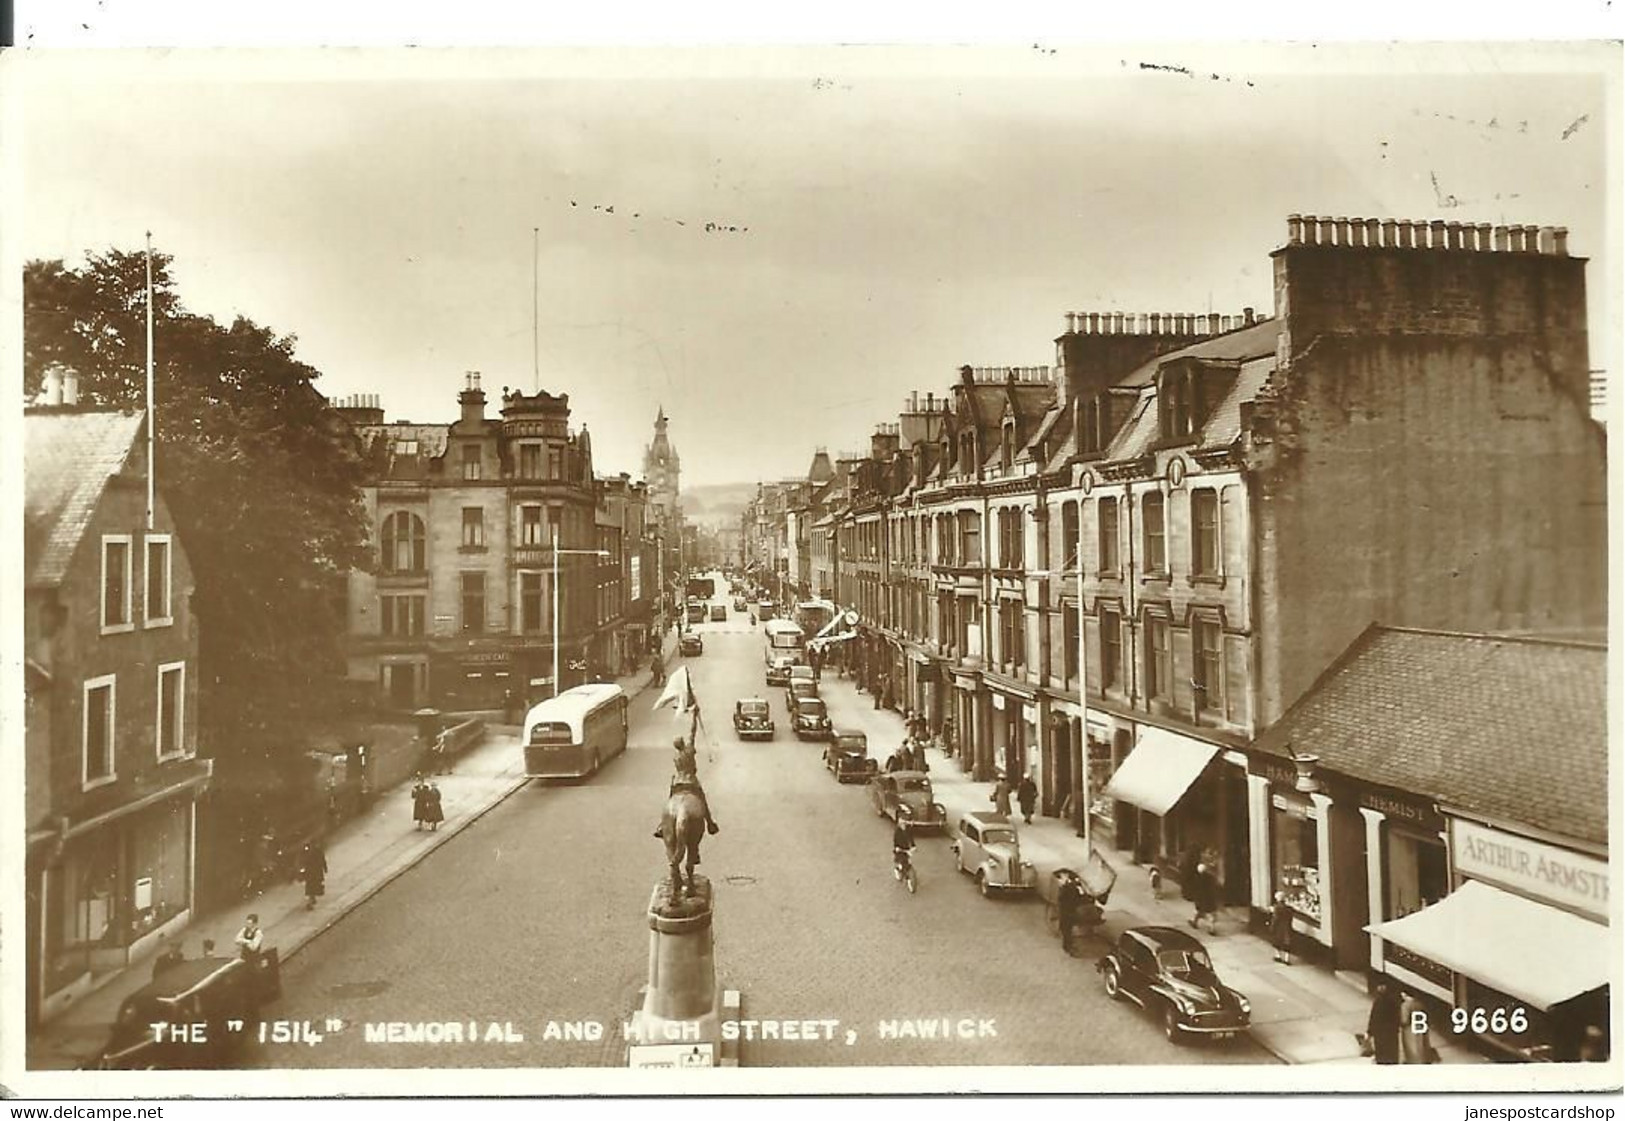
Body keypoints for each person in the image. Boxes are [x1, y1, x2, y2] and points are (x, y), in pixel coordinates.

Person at [1399, 990, 1440, 1064]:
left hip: (1410, 1029)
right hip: (1421, 1027)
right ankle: (1424, 1059)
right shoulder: (1419, 1003)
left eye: (1403, 995)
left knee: (1411, 1046)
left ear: (1405, 995)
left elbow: (1404, 1019)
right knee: (1422, 1044)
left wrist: (1401, 1024)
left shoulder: (1405, 1005)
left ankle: (1413, 1060)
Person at [1366, 982, 1403, 1065]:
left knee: (1382, 1053)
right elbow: (1397, 1017)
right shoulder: (1394, 1001)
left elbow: (1374, 1018)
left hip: (1380, 1032)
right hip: (1391, 1032)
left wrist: (1369, 1031)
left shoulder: (1378, 1002)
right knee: (1392, 1052)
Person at [1056, 872, 1087, 955]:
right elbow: (1079, 899)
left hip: (1066, 913)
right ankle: (1068, 947)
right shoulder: (1070, 889)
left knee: (1066, 931)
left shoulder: (1066, 888)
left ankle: (1067, 946)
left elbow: (1061, 899)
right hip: (1068, 913)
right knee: (1067, 931)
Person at [1188, 862, 1220, 935]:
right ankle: (1211, 929)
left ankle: (1194, 922)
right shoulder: (1210, 877)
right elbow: (1214, 887)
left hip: (1200, 898)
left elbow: (1195, 889)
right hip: (1209, 899)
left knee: (1198, 911)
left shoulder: (1197, 878)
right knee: (1210, 915)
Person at [301, 841, 327, 911]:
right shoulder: (314, 852)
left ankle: (312, 899)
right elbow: (322, 860)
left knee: (312, 886)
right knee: (312, 886)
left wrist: (324, 868)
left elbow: (322, 860)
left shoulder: (315, 852)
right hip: (313, 872)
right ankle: (312, 899)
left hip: (314, 872)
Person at [1269, 890, 1294, 964]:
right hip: (1287, 927)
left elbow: (1275, 919)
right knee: (1287, 943)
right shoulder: (1289, 908)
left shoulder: (1277, 908)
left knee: (1277, 942)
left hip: (1279, 928)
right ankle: (1287, 959)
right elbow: (1290, 917)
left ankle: (1278, 956)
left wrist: (1272, 926)